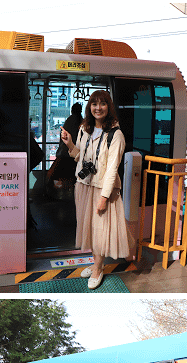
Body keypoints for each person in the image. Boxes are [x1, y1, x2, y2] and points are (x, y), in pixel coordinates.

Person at [60, 90, 131, 289]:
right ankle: (95, 263)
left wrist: (104, 197)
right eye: (94, 104)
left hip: (102, 189)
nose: (98, 108)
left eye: (102, 104)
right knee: (90, 229)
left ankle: (99, 269)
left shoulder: (116, 134)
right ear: (89, 107)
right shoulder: (85, 129)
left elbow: (111, 170)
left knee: (100, 231)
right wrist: (70, 144)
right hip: (83, 186)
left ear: (109, 108)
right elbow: (80, 158)